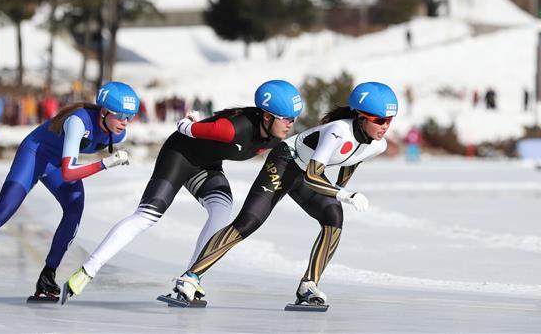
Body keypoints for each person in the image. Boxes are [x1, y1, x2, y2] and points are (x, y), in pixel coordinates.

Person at [59, 79, 304, 304]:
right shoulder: (231, 129)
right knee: (147, 216)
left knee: (221, 210)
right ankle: (87, 270)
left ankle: (190, 278)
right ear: (267, 117)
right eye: (286, 119)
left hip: (207, 165)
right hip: (179, 156)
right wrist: (191, 122)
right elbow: (184, 127)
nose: (290, 124)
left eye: (294, 119)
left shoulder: (273, 137)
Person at [167, 81, 397, 308]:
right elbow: (313, 176)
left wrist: (340, 187)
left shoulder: (379, 145)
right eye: (380, 120)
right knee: (248, 222)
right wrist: (344, 194)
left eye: (389, 120)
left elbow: (352, 160)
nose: (385, 126)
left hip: (305, 171)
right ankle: (190, 278)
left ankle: (308, 286)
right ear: (360, 116)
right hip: (285, 162)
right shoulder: (339, 131)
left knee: (333, 217)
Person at [0, 81, 139, 302]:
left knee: (75, 207)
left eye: (129, 116)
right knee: (3, 211)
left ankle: (48, 276)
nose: (125, 122)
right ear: (104, 111)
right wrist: (105, 164)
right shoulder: (78, 122)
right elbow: (69, 172)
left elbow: (66, 167)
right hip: (35, 155)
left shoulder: (117, 133)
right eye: (121, 115)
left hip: (57, 164)